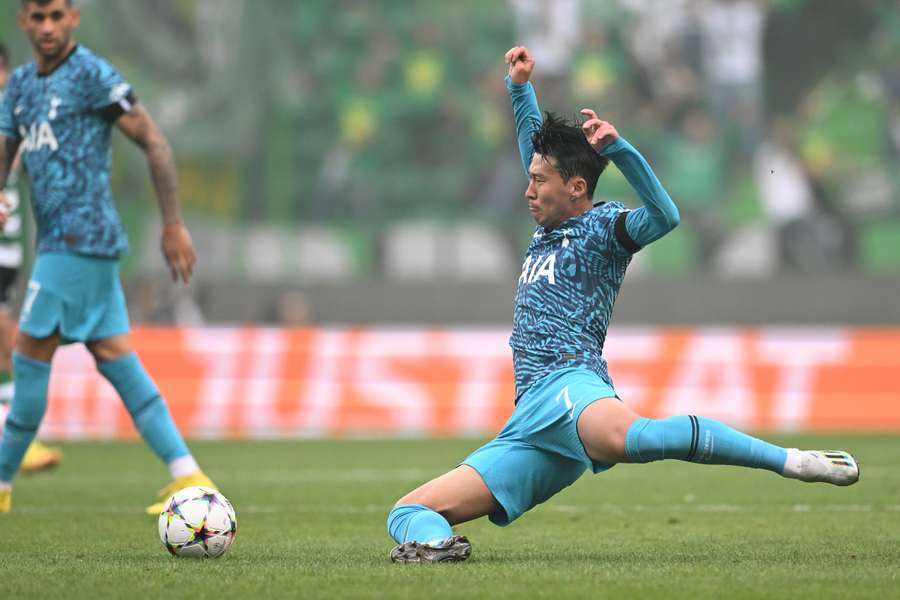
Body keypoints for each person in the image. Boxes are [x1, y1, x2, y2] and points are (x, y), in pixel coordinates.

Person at [385, 46, 859, 564]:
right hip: (530, 422)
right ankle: (439, 549)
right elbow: (535, 153)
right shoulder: (549, 222)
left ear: (577, 188)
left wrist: (622, 150)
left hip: (569, 385)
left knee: (642, 439)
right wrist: (519, 87)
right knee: (406, 514)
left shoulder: (603, 228)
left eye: (538, 181)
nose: (528, 189)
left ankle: (794, 461)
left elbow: (665, 216)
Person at [0, 0, 216, 515]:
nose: (48, 26)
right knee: (118, 361)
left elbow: (155, 142)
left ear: (73, 16)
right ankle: (187, 472)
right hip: (60, 245)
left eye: (57, 15)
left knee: (27, 360)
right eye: (38, 16)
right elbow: (6, 150)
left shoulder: (91, 74)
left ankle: (2, 481)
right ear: (22, 21)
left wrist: (171, 224)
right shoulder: (21, 87)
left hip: (81, 242)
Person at [0, 39, 64, 475]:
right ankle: (15, 439)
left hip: (8, 251)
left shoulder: (17, 119)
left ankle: (13, 438)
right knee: (7, 341)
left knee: (6, 342)